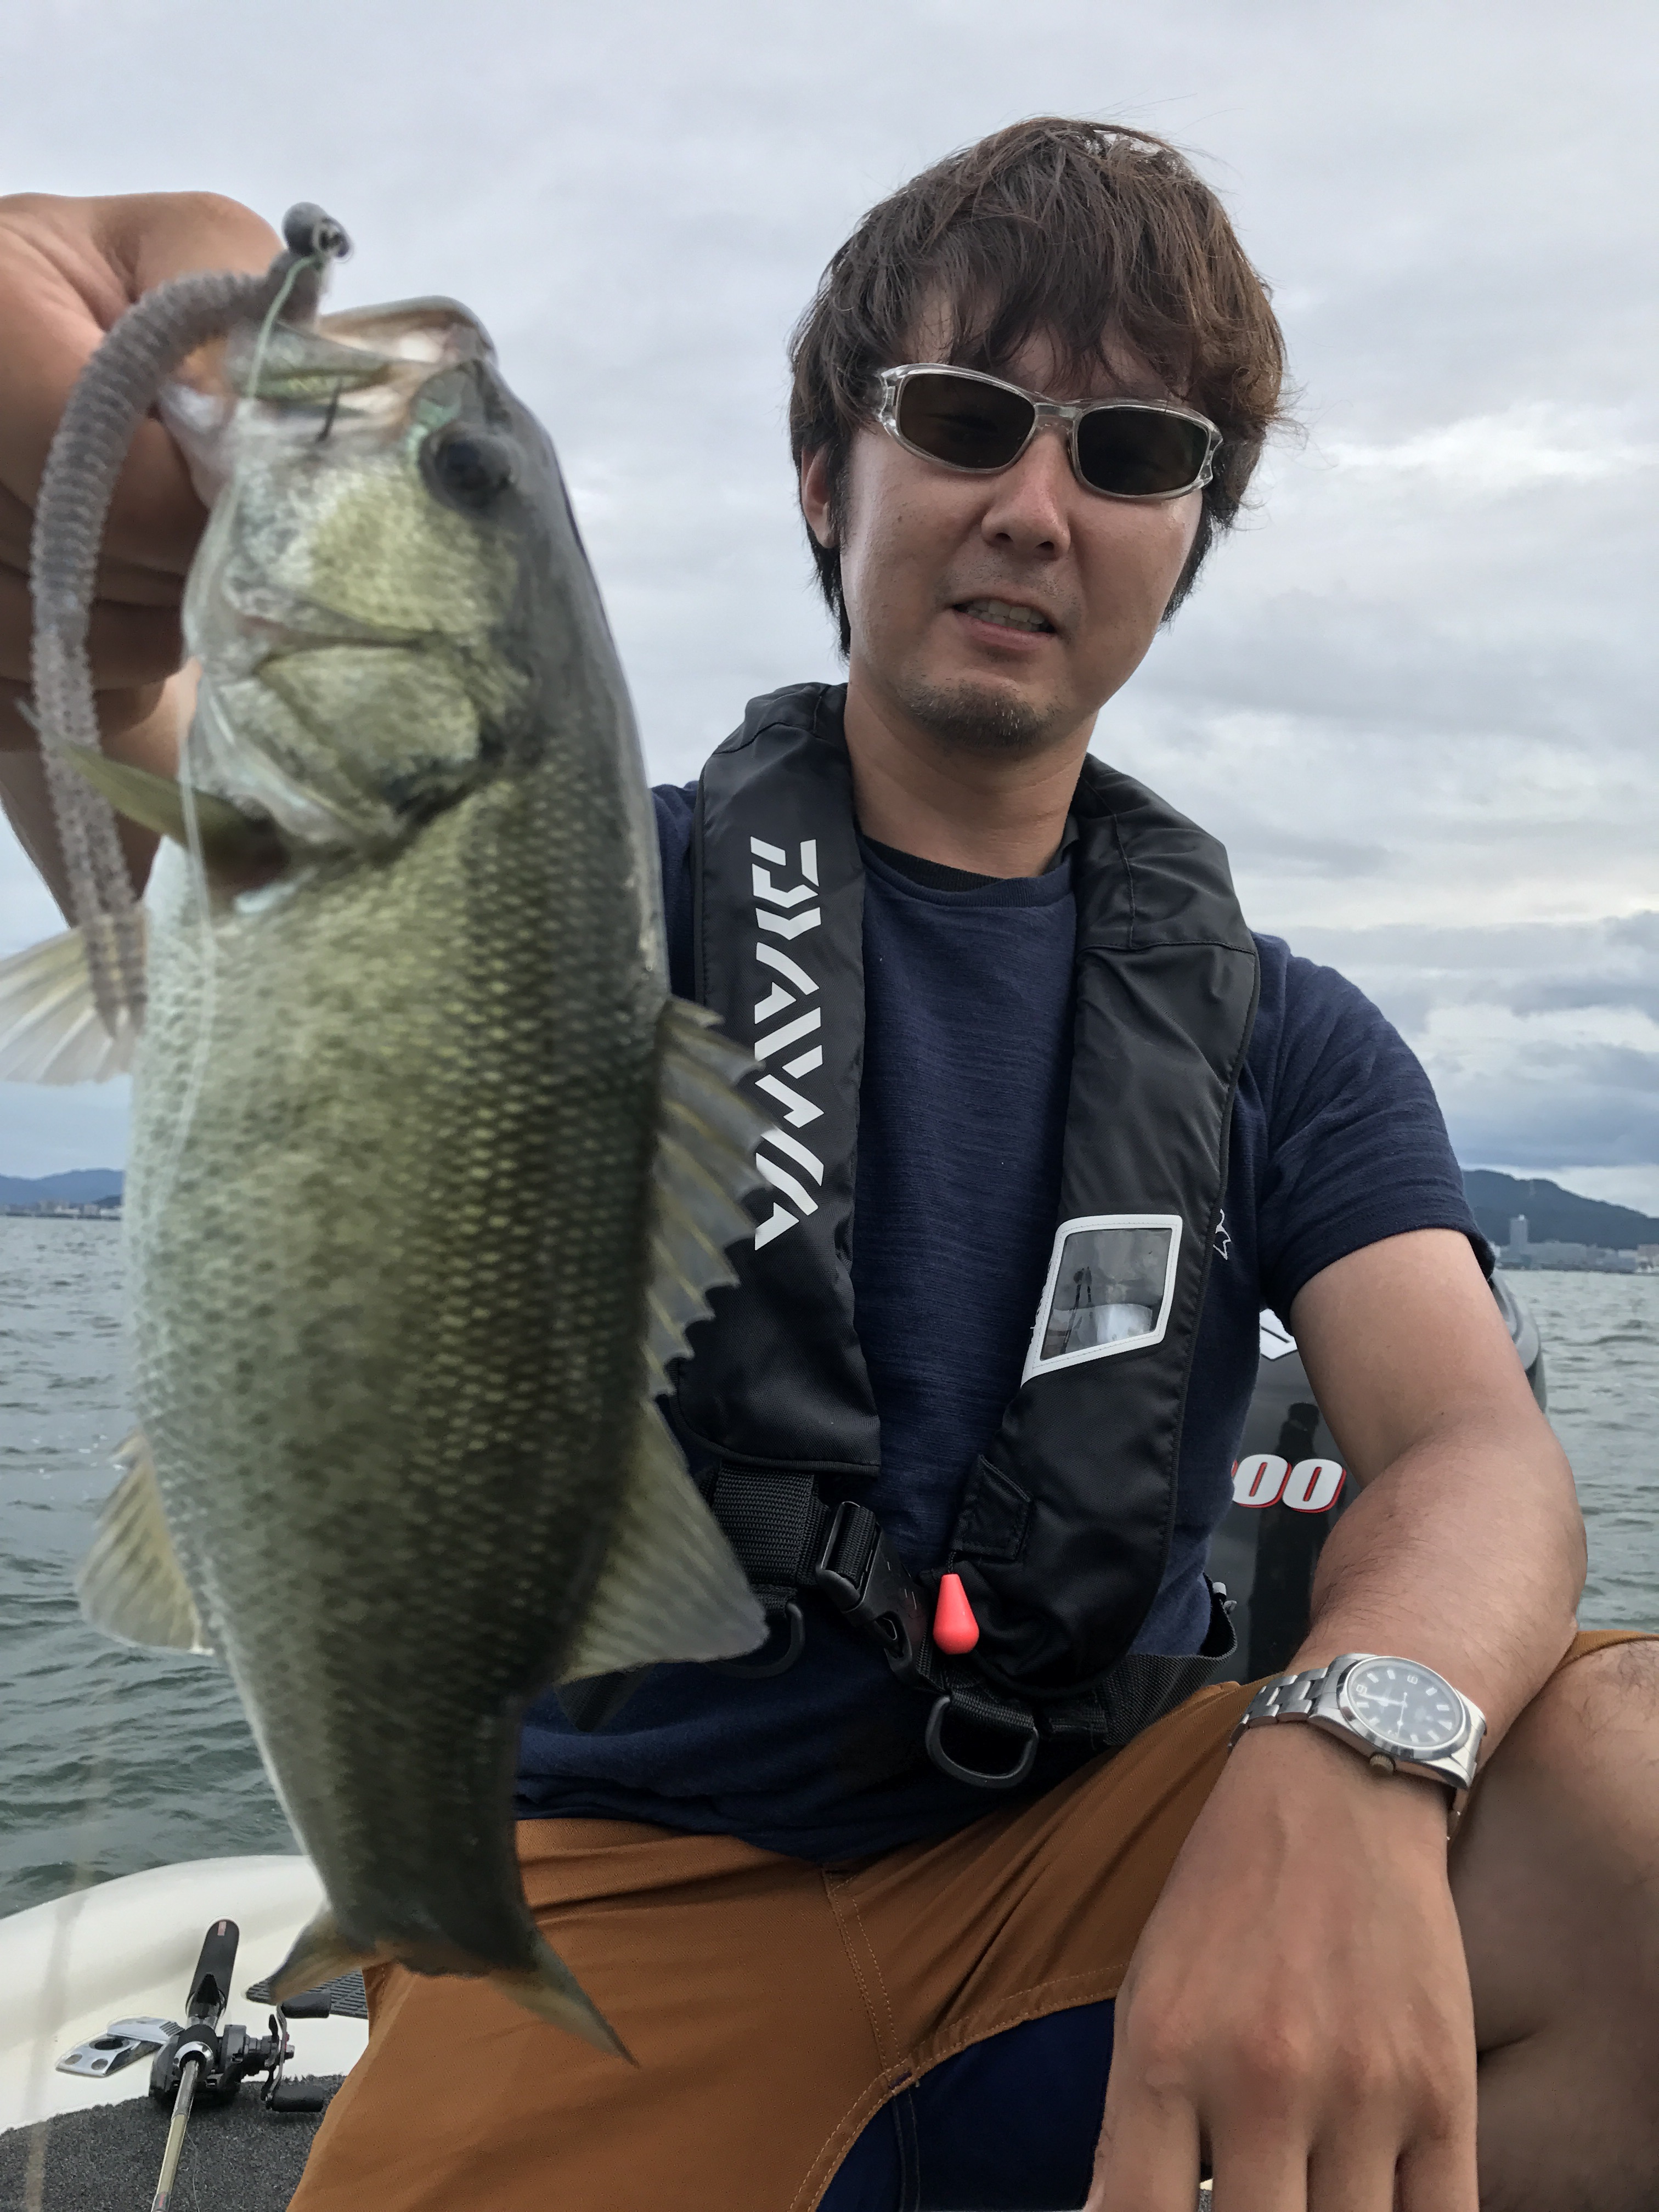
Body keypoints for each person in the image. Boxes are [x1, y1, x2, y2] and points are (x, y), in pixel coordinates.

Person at [1, 121, 1654, 2212]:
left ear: (1187, 538)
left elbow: (1476, 1451)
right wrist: (70, 476)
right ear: (822, 474)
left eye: (1133, 454)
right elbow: (118, 750)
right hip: (615, 1883)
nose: (1036, 508)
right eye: (963, 420)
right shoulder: (549, 879)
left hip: (1110, 1838)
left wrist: (1352, 1746)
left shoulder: (1287, 1036)